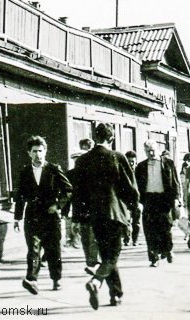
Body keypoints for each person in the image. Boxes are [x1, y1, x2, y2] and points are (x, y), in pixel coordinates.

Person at [75, 122, 139, 309]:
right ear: (111, 138)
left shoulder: (83, 160)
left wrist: (79, 218)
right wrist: (133, 208)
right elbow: (130, 187)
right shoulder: (117, 157)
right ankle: (96, 282)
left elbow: (78, 192)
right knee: (113, 257)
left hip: (95, 217)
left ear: (95, 138)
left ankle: (116, 294)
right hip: (115, 214)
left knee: (107, 256)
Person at [14, 136, 73, 295]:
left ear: (45, 152)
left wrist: (58, 205)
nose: (38, 154)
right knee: (33, 249)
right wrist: (17, 218)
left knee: (53, 249)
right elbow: (20, 196)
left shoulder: (54, 169)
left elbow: (68, 190)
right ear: (29, 153)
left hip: (50, 216)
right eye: (34, 151)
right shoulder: (25, 172)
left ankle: (56, 278)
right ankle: (32, 279)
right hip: (32, 216)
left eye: (40, 151)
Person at [134, 140, 180, 267]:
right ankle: (154, 257)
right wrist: (138, 202)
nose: (151, 153)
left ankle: (168, 250)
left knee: (166, 227)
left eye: (153, 150)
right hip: (148, 200)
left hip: (164, 199)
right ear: (145, 152)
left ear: (158, 149)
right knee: (149, 229)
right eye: (148, 151)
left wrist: (176, 198)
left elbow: (175, 183)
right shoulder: (141, 166)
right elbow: (136, 186)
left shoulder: (168, 164)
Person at [68, 139, 100, 270]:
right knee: (85, 237)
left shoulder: (94, 174)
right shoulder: (71, 175)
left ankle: (93, 262)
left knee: (93, 237)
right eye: (76, 160)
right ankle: (90, 261)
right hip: (80, 210)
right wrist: (69, 214)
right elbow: (70, 196)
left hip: (94, 210)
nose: (78, 162)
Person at [124, 150, 141, 246]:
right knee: (126, 220)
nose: (131, 164)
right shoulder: (123, 172)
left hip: (136, 200)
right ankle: (126, 239)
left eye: (132, 161)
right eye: (129, 161)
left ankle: (135, 240)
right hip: (125, 200)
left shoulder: (138, 172)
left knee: (136, 221)